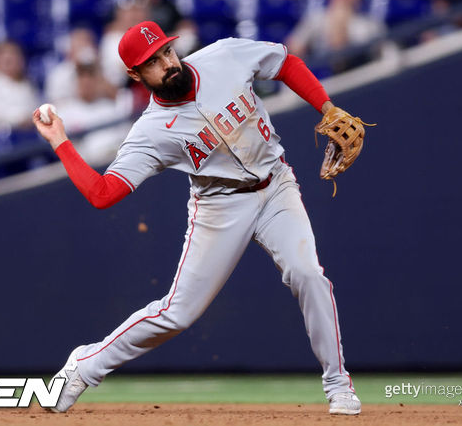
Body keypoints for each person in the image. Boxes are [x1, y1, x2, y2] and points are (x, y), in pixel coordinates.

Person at [34, 21, 361, 415]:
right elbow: (103, 194)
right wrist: (61, 143)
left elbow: (285, 62)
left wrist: (325, 106)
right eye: (152, 62)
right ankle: (83, 368)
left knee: (308, 273)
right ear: (135, 75)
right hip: (220, 206)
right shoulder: (150, 132)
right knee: (178, 313)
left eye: (167, 52)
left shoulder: (223, 55)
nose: (167, 63)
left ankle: (338, 385)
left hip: (276, 187)